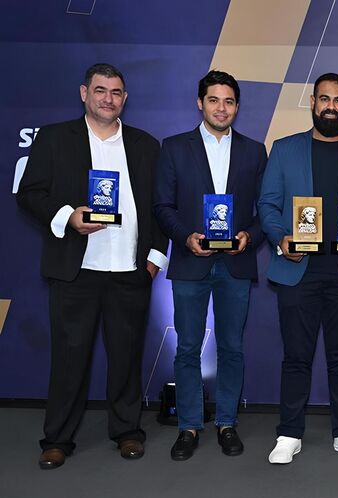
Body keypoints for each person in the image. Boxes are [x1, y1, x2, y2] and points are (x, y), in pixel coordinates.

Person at [16, 63, 166, 469]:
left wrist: (153, 260)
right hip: (75, 270)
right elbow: (29, 194)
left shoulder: (146, 145)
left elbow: (160, 207)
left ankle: (127, 431)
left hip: (130, 271)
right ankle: (58, 438)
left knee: (127, 357)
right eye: (100, 91)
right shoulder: (53, 139)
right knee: (69, 357)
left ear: (125, 98)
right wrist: (68, 215)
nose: (108, 99)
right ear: (84, 93)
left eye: (116, 92)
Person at [258, 72, 338, 463]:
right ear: (313, 103)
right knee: (296, 356)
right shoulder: (283, 149)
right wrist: (281, 240)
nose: (331, 106)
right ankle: (289, 433)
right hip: (298, 270)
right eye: (324, 99)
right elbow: (268, 205)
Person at [154, 70, 267, 461]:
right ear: (199, 103)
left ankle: (227, 423)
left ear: (237, 106)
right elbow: (162, 206)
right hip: (191, 261)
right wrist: (185, 236)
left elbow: (264, 211)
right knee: (187, 348)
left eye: (229, 101)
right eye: (214, 100)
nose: (222, 108)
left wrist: (248, 237)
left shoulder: (255, 151)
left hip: (236, 263)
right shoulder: (173, 147)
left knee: (232, 347)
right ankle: (188, 426)